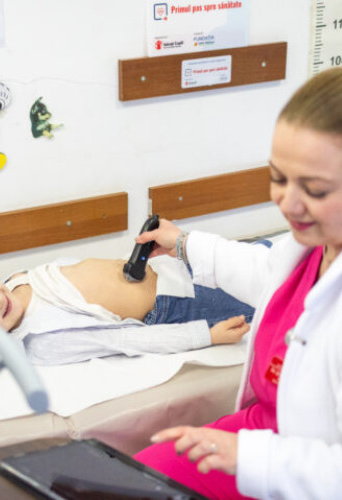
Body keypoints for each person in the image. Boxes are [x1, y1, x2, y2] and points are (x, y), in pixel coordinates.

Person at [133, 68, 342, 499]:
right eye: (278, 178)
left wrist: (252, 459)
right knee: (133, 480)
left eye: (315, 190)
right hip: (267, 431)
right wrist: (184, 244)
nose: (288, 203)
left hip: (307, 470)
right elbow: (264, 272)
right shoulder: (313, 246)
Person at [0, 254, 254, 365]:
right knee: (273, 293)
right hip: (178, 305)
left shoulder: (15, 281)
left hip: (171, 268)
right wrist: (206, 336)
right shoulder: (42, 338)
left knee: (264, 261)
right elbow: (125, 341)